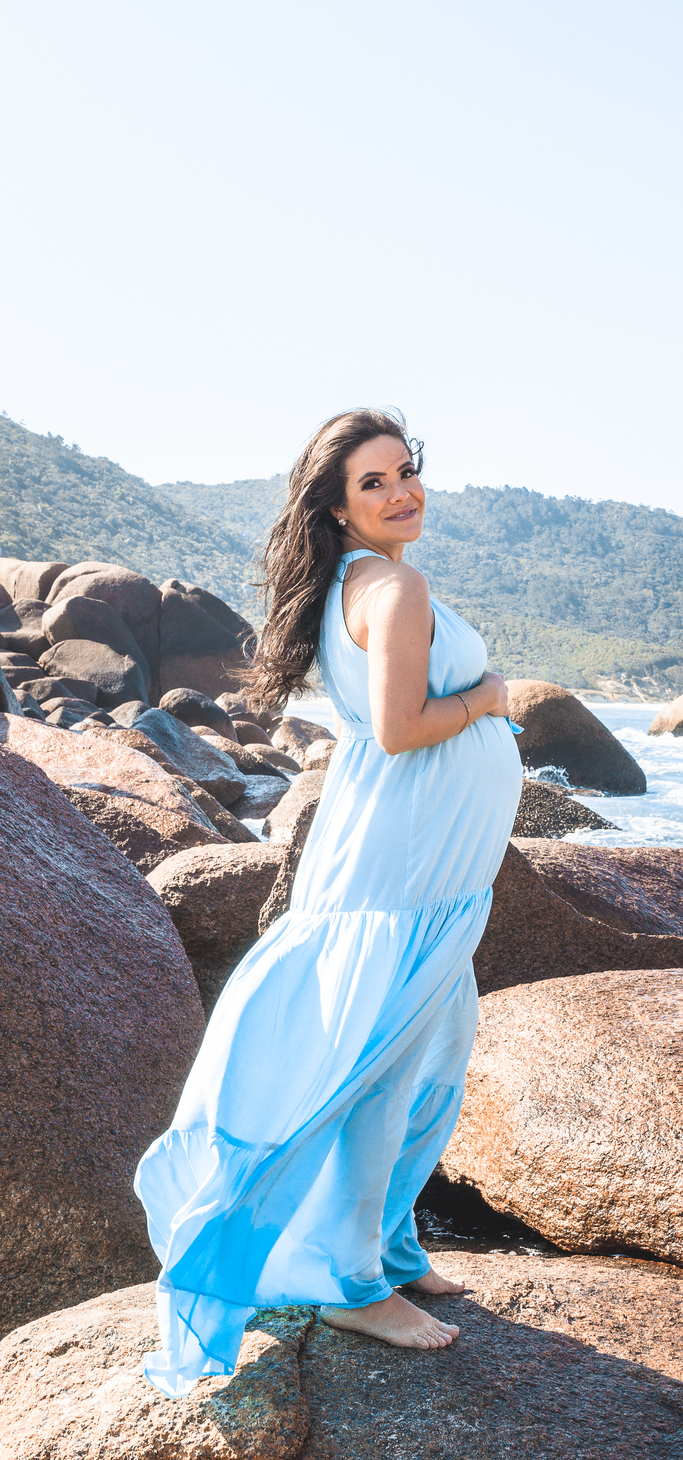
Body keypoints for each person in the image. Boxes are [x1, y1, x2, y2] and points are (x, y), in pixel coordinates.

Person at [134, 407, 522, 1397]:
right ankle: (348, 1281)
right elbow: (399, 728)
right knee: (382, 1064)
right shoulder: (392, 586)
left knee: (431, 1047)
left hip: (414, 864)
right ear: (339, 512)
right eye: (376, 483)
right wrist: (486, 701)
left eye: (407, 472)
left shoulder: (363, 580)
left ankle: (386, 1245)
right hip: (401, 870)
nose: (403, 492)